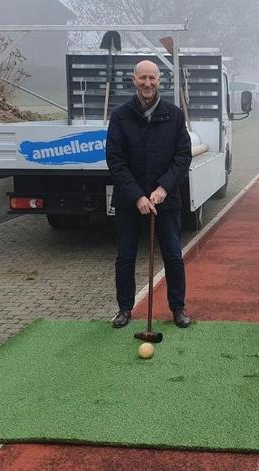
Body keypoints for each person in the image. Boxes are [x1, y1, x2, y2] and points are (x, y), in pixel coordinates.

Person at [107, 60, 192, 329]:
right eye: (142, 78)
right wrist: (137, 196)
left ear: (159, 81)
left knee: (173, 255)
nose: (147, 83)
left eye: (152, 78)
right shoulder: (120, 116)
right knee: (125, 256)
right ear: (134, 80)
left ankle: (178, 308)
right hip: (129, 201)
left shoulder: (175, 115)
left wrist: (162, 188)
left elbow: (182, 156)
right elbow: (115, 160)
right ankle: (124, 308)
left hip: (165, 199)